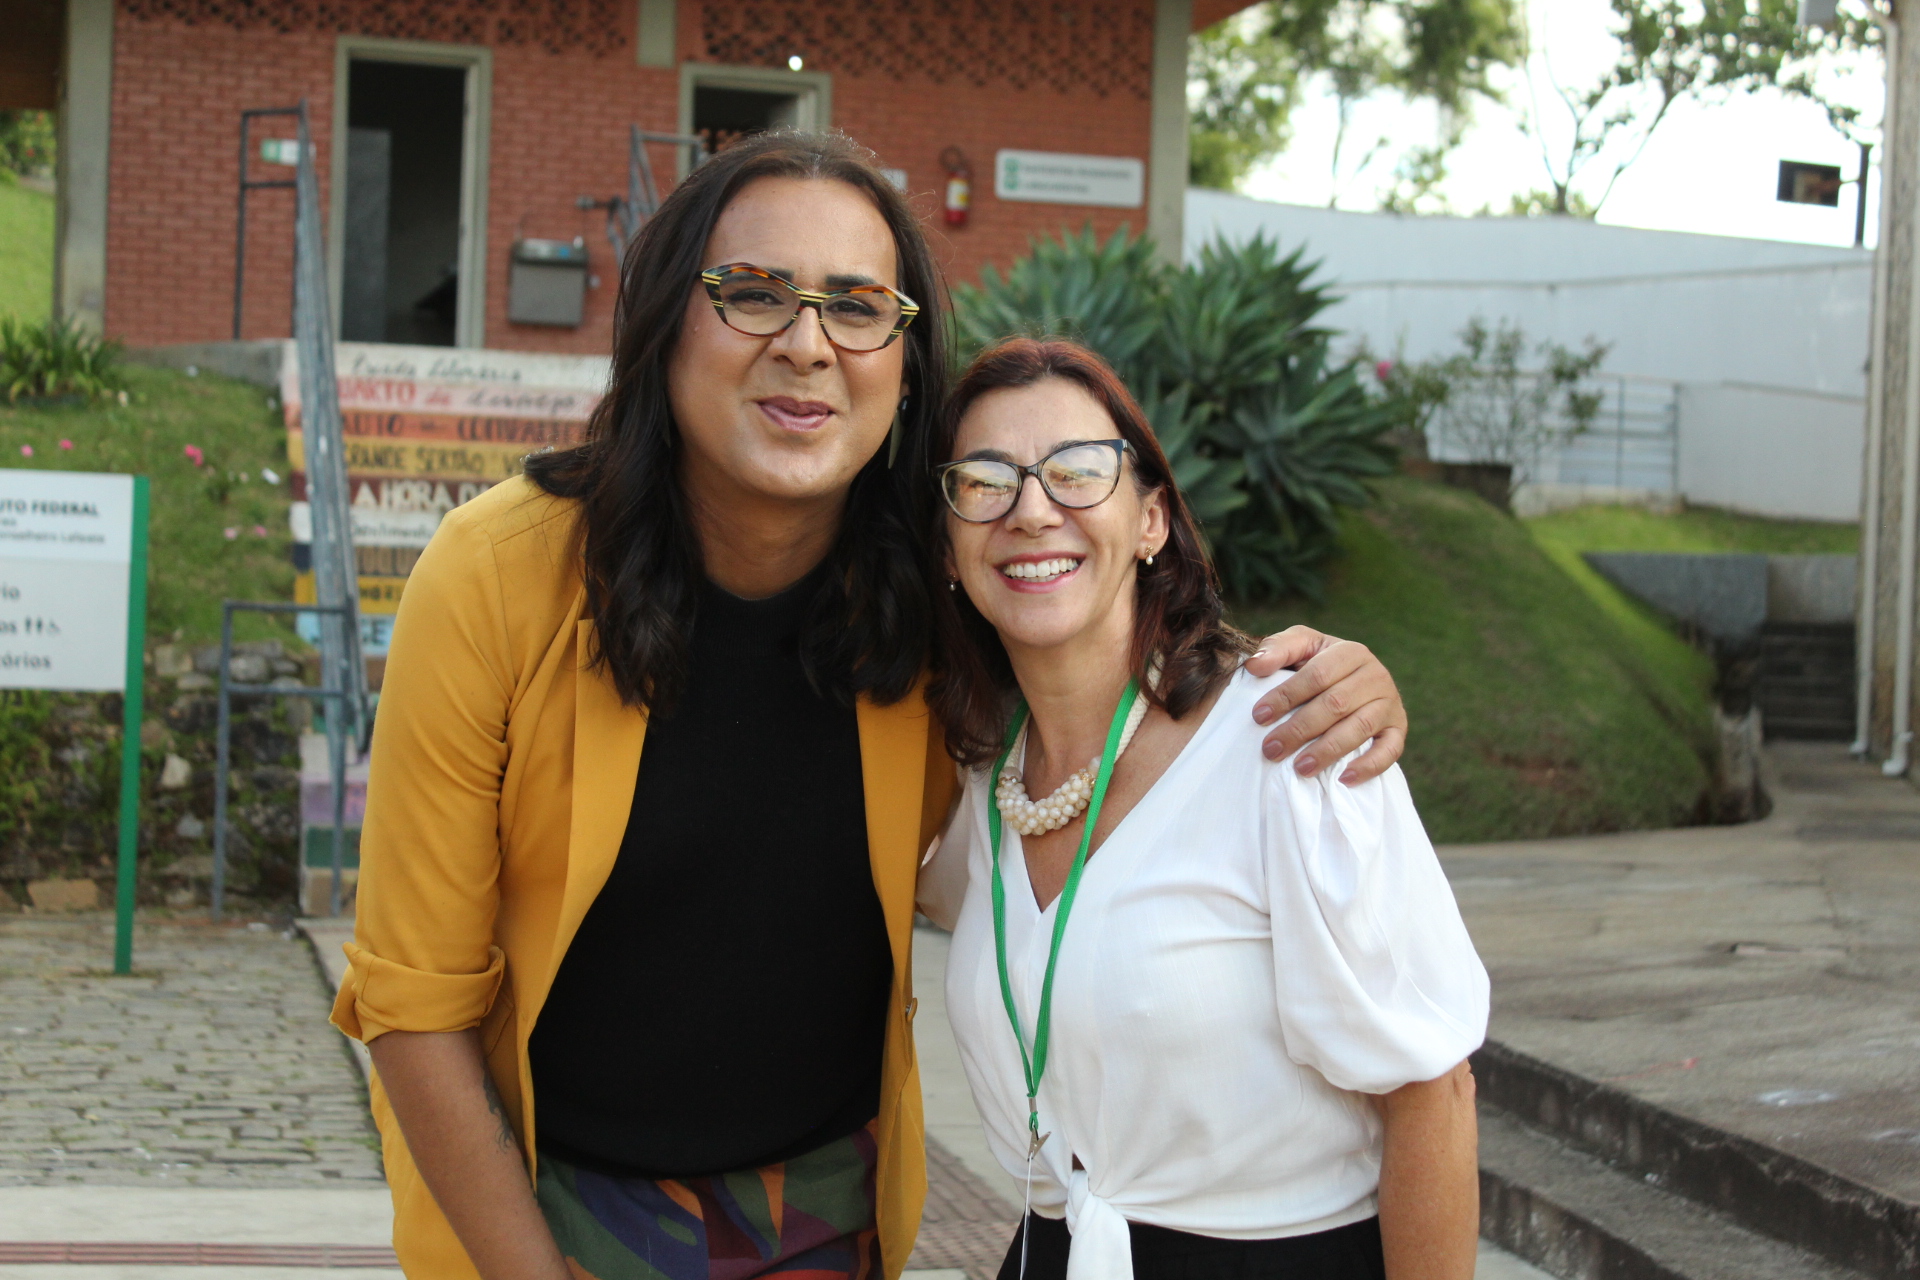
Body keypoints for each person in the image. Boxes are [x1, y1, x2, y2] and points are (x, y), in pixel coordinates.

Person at [327, 131, 1415, 1280]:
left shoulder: (937, 590)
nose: (807, 345)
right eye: (753, 292)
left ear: (903, 363)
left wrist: (1325, 677)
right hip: (545, 1211)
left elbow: (1111, 675)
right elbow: (413, 1000)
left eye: (856, 307)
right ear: (663, 325)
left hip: (828, 1218)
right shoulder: (499, 575)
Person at [918, 338, 1489, 1280]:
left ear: (1150, 520)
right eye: (984, 481)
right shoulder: (984, 777)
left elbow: (1432, 1091)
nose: (1032, 509)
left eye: (1077, 470)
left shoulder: (1289, 741)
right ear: (948, 547)